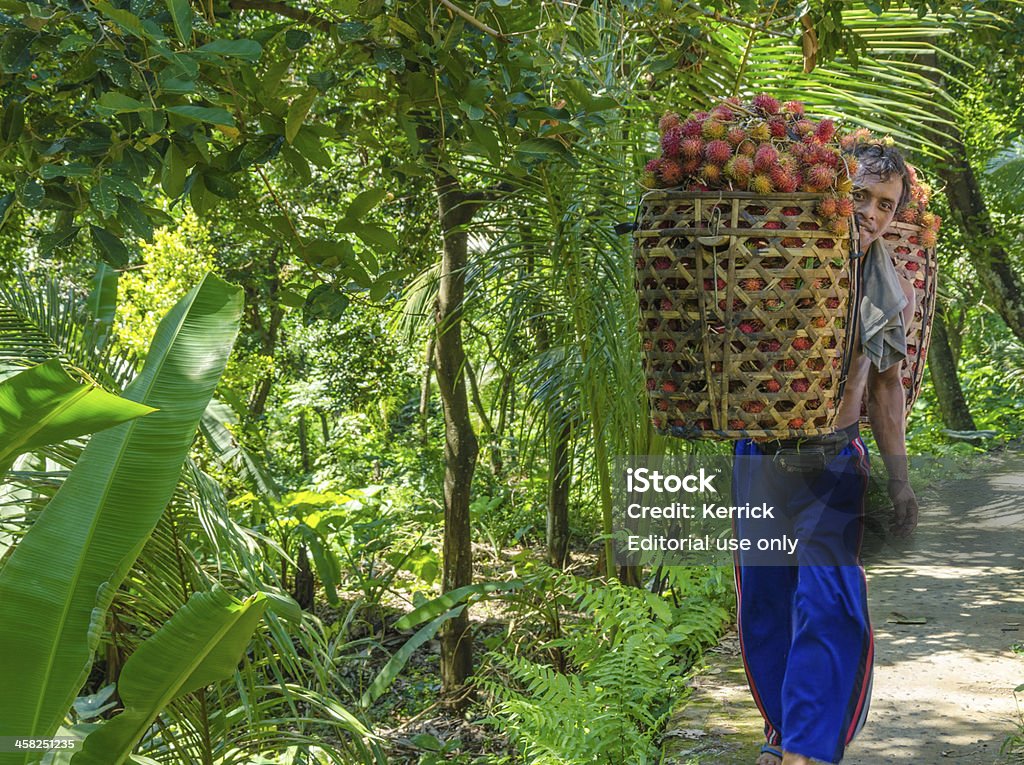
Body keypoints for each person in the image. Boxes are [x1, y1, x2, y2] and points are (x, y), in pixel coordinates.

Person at [731, 142, 921, 765]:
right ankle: (784, 732)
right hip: (761, 454)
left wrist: (899, 481)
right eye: (860, 195)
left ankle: (808, 750)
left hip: (833, 458)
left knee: (827, 601)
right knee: (766, 604)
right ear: (835, 192)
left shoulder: (888, 289)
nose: (870, 213)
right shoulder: (774, 258)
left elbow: (887, 388)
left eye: (886, 206)